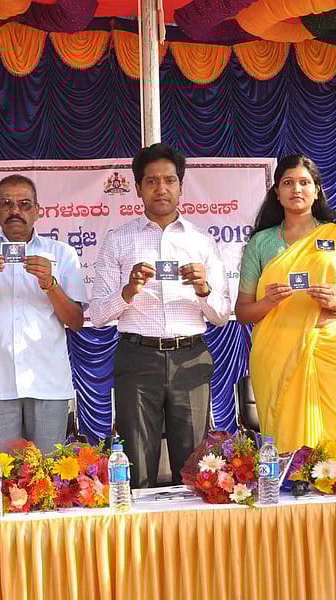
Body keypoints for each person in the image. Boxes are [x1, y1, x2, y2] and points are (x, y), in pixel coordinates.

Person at [89, 143, 231, 488]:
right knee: (136, 460)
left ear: (181, 186)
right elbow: (96, 315)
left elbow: (222, 316)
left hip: (190, 356)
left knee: (195, 464)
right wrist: (128, 289)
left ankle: (194, 539)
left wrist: (203, 289)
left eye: (169, 180)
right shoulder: (119, 241)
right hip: (137, 357)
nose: (161, 188)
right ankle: (138, 540)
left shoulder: (201, 242)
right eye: (151, 181)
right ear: (138, 188)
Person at [235, 154, 336, 453]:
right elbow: (243, 312)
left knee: (334, 446)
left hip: (333, 351)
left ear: (317, 190)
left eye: (304, 182)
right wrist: (268, 302)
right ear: (277, 191)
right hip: (276, 355)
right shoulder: (261, 244)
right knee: (288, 448)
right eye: (288, 182)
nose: (296, 189)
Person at [0, 174, 87, 454]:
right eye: (7, 204)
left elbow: (75, 322)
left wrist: (50, 284)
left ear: (37, 211)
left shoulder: (62, 253)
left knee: (50, 478)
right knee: (1, 480)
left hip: (48, 383)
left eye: (24, 204)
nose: (15, 211)